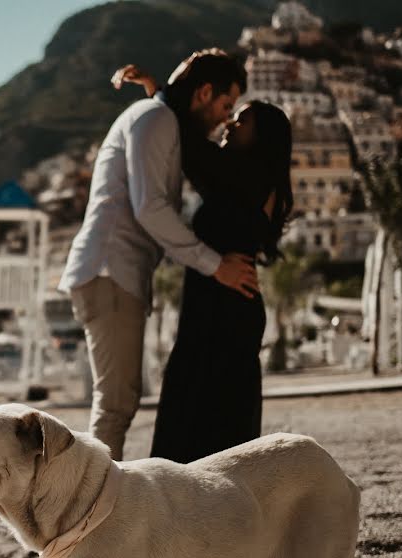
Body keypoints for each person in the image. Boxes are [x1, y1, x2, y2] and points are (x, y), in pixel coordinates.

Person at [58, 49, 259, 461]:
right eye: (225, 105)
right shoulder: (155, 118)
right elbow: (149, 207)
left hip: (116, 274)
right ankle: (90, 516)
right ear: (204, 92)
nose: (226, 117)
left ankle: (93, 509)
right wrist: (215, 265)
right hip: (109, 271)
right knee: (115, 405)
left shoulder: (159, 117)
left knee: (118, 403)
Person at [114, 63, 294, 463]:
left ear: (261, 136)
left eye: (241, 119)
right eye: (231, 112)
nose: (230, 122)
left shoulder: (240, 174)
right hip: (221, 301)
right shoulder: (248, 178)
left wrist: (160, 93)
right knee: (207, 409)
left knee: (203, 409)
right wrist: (158, 92)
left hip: (225, 306)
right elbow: (190, 143)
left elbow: (189, 143)